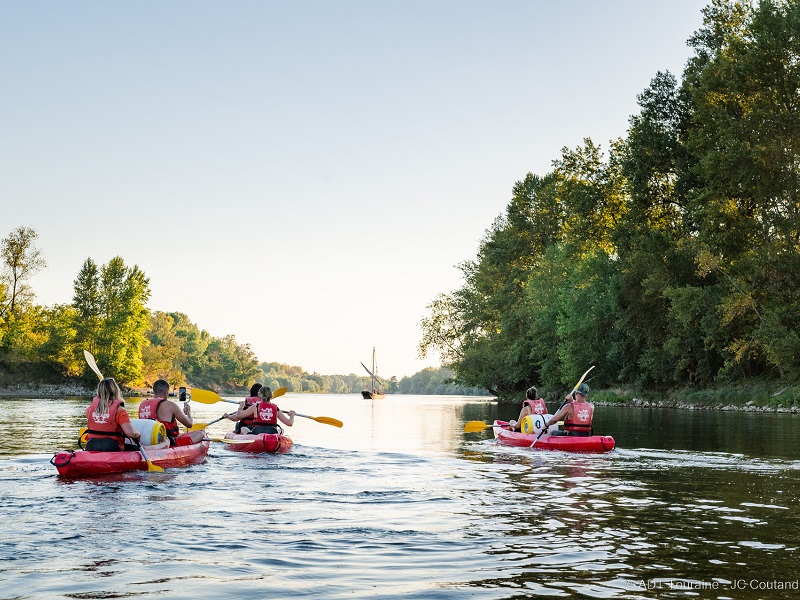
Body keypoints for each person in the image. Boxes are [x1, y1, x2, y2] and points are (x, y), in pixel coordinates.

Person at [138, 379, 205, 446]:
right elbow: (189, 424)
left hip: (146, 440)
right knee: (201, 433)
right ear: (167, 392)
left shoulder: (142, 404)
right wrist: (188, 412)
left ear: (154, 392)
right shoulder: (171, 405)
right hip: (167, 441)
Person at [84, 377, 142, 451]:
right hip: (111, 448)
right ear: (115, 391)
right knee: (137, 449)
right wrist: (138, 434)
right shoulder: (120, 410)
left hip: (91, 446)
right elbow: (130, 433)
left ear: (99, 391)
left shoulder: (89, 409)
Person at [224, 386, 295, 435]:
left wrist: (241, 406)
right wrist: (292, 416)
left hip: (257, 432)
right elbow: (289, 423)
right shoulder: (276, 408)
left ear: (259, 395)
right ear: (271, 396)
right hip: (272, 432)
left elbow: (238, 416)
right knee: (281, 430)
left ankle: (249, 437)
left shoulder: (255, 406)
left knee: (243, 428)